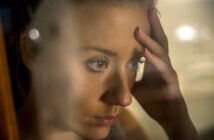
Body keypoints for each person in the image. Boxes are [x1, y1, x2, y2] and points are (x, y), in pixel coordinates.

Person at [7, 0, 199, 139]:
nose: (124, 98)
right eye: (98, 64)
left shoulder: (124, 127)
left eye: (134, 62)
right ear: (33, 51)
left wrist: (178, 125)